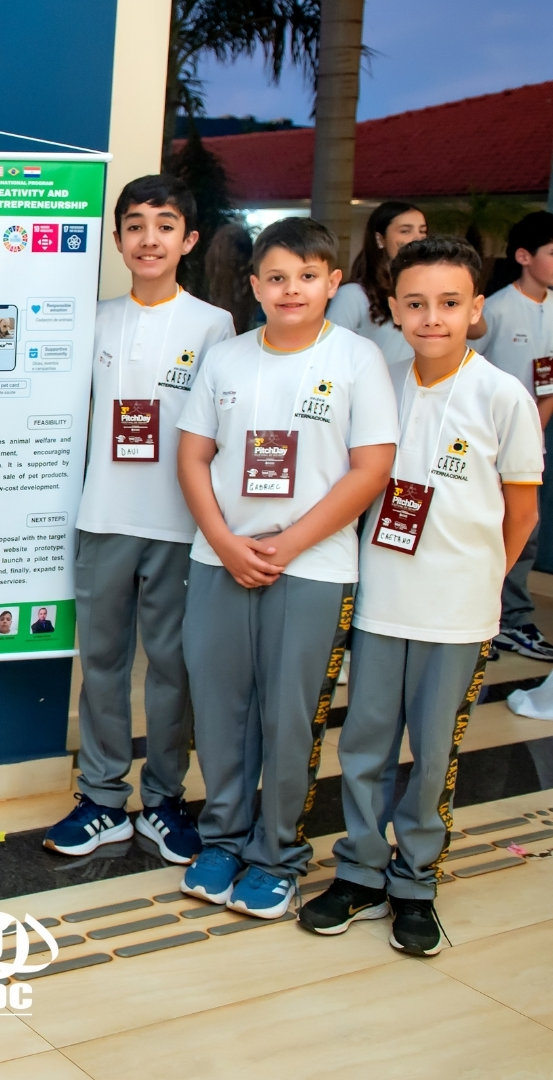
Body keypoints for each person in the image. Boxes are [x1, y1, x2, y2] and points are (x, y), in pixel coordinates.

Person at [298, 236, 541, 955]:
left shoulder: (503, 396)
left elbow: (522, 511)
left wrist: (482, 581)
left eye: (449, 303)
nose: (432, 317)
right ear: (395, 309)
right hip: (380, 601)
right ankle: (361, 871)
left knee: (433, 753)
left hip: (458, 612)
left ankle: (415, 881)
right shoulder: (379, 383)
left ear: (475, 309)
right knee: (365, 745)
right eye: (416, 303)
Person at [176, 216, 399, 919]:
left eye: (306, 276)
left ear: (332, 282)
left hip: (313, 565)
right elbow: (193, 457)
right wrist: (224, 541)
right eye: (276, 277)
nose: (291, 289)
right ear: (254, 286)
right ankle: (222, 839)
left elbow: (372, 470)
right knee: (219, 709)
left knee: (291, 715)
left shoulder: (358, 358)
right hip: (221, 558)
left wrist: (293, 541)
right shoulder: (227, 359)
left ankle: (277, 853)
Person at [47, 174, 237, 865]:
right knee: (100, 664)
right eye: (134, 226)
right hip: (102, 517)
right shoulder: (93, 319)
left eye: (164, 226)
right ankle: (102, 799)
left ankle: (163, 800)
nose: (148, 239)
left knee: (171, 670)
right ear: (118, 239)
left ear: (188, 240)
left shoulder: (214, 325)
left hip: (181, 526)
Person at [477, 211, 553, 661]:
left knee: (526, 530)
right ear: (524, 257)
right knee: (486, 528)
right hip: (486, 446)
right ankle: (482, 620)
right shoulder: (497, 309)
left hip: (530, 443)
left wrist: (531, 433)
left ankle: (513, 621)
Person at [327, 201, 428, 363]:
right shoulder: (353, 295)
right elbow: (329, 354)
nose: (417, 238)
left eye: (422, 231)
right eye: (405, 231)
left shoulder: (426, 293)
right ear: (380, 239)